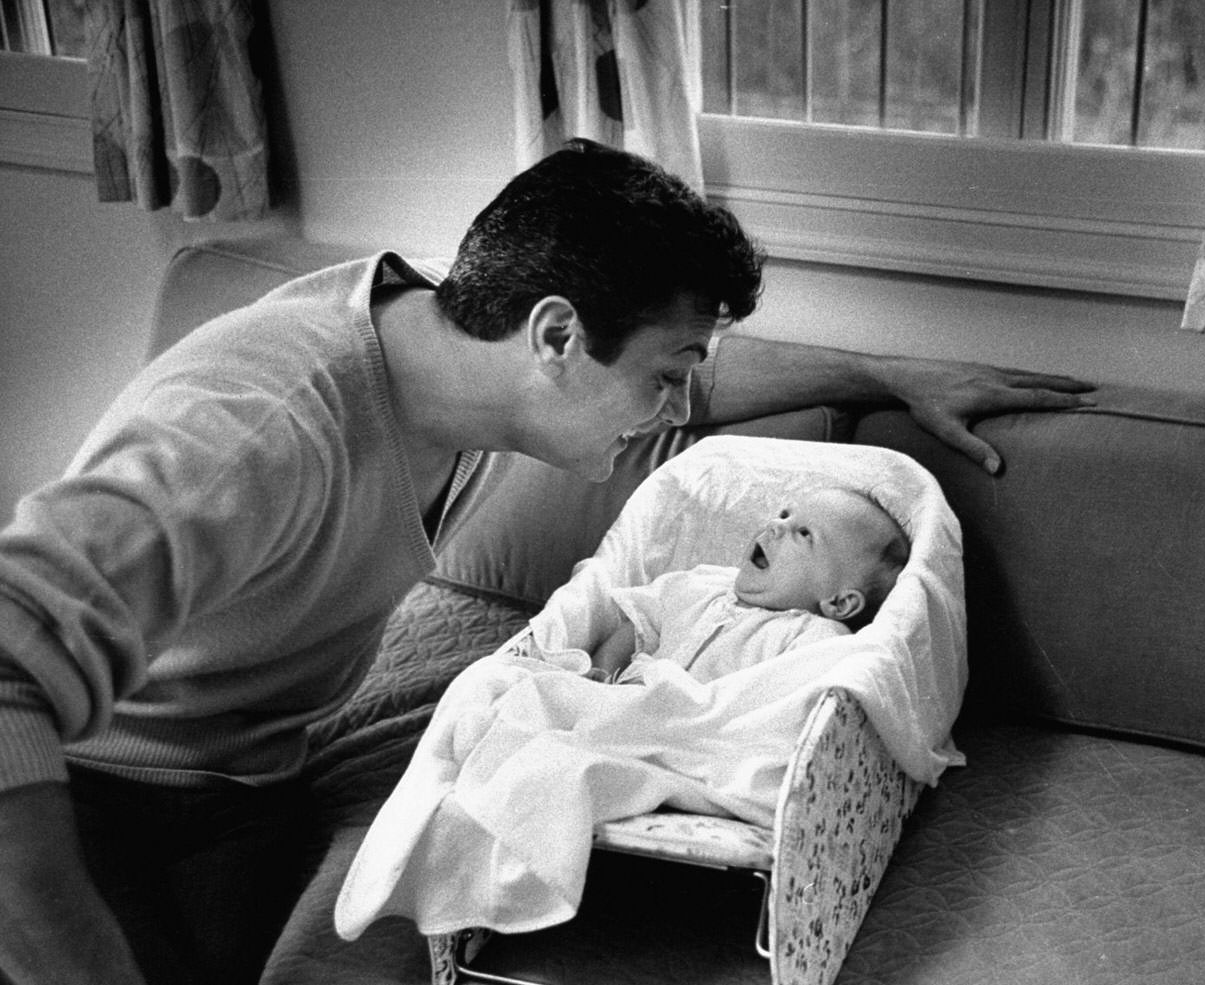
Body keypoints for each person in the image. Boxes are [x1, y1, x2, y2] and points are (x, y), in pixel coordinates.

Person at [0, 138, 1092, 985]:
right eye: (666, 375)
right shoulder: (254, 428)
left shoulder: (460, 343)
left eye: (681, 374)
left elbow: (704, 380)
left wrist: (888, 374)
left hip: (269, 766)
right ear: (559, 337)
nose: (677, 409)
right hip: (116, 791)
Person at [587, 488, 909, 684]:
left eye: (804, 533)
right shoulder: (703, 583)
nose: (775, 524)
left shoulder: (812, 638)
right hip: (624, 703)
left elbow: (781, 710)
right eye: (784, 515)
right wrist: (601, 676)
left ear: (838, 603)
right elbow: (637, 628)